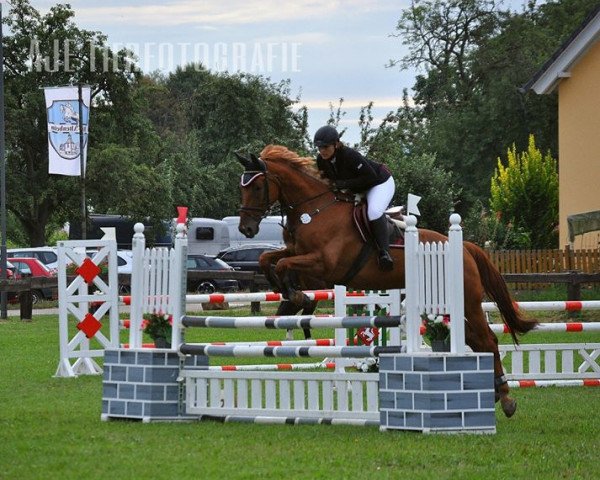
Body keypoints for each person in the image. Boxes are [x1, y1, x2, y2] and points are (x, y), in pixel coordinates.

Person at [313, 125, 395, 271]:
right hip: (357, 188)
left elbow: (370, 177)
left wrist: (343, 184)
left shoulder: (350, 155)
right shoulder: (321, 160)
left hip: (379, 183)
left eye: (325, 147)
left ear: (336, 144)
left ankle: (384, 253)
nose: (322, 151)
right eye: (319, 148)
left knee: (374, 212)